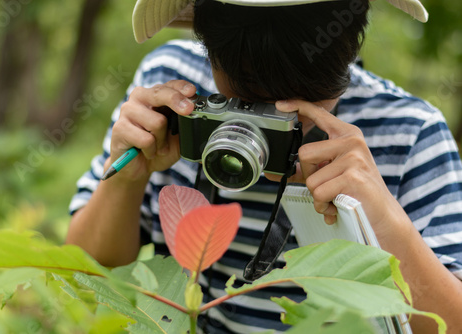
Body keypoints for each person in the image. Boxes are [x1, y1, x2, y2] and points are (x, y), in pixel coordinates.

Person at [66, 0, 462, 332]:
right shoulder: (171, 88)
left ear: (347, 48)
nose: (271, 117)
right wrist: (125, 181)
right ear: (207, 45)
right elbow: (89, 268)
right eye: (245, 99)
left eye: (301, 101)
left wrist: (381, 217)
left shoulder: (408, 132)